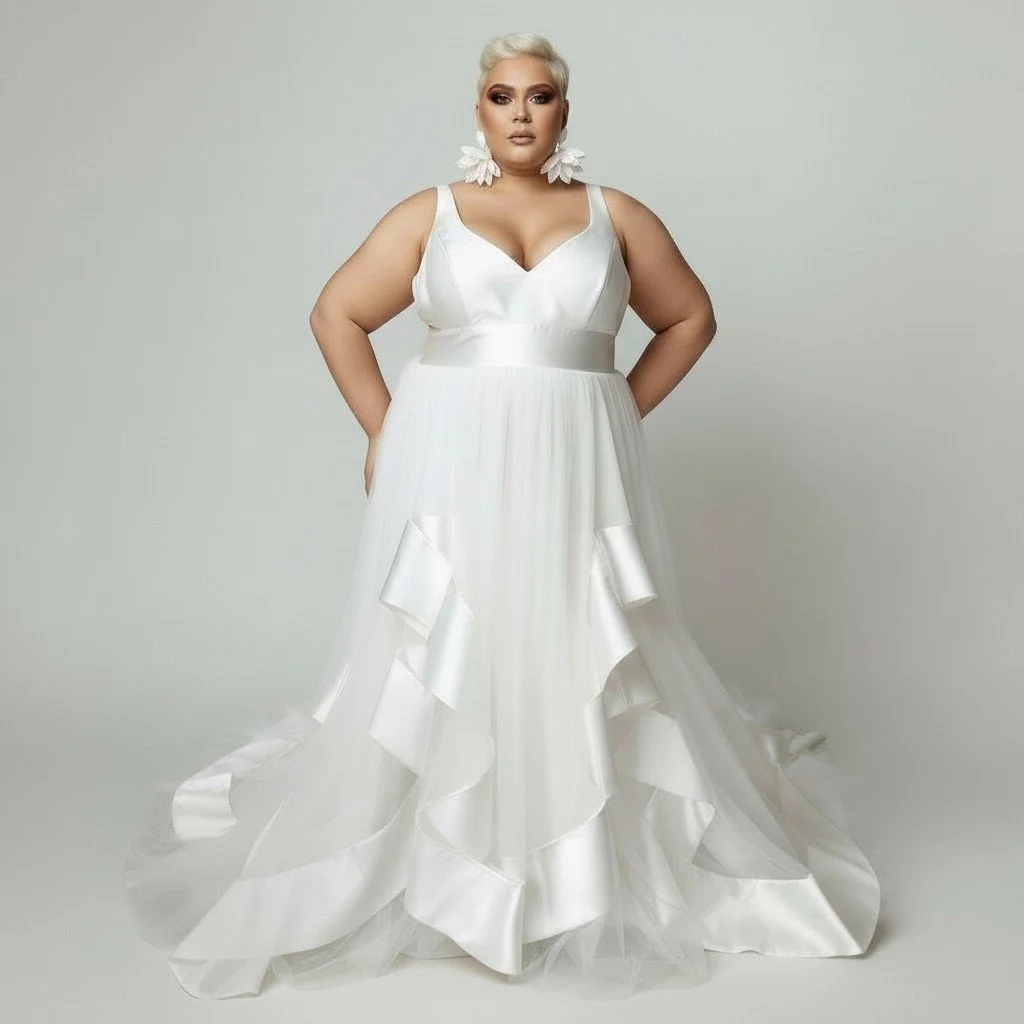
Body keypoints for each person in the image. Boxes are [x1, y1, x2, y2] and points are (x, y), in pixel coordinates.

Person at [123, 31, 881, 1001]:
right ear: (477, 110)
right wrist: (383, 433)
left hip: (574, 461)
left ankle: (573, 861)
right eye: (500, 95)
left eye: (539, 96)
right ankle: (444, 857)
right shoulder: (428, 215)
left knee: (571, 625)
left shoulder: (617, 215)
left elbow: (688, 316)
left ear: (565, 111)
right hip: (450, 455)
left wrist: (614, 410)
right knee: (460, 628)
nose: (521, 112)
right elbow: (336, 314)